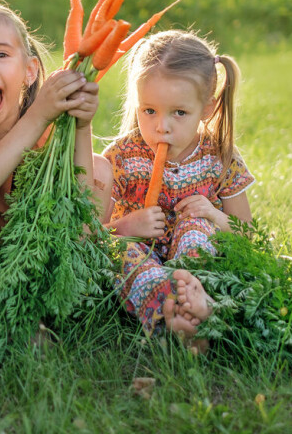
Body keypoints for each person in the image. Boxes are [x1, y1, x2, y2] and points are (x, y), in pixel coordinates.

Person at [0, 0, 113, 286]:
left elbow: (82, 213)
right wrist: (36, 117)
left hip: (33, 256)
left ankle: (64, 294)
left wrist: (82, 126)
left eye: (1, 55)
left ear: (30, 72)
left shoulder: (49, 127)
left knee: (101, 170)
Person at [102, 30, 254, 352]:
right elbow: (93, 235)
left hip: (195, 258)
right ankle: (176, 312)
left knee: (196, 224)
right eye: (149, 111)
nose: (162, 126)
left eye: (179, 113)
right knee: (121, 253)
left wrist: (212, 213)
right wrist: (127, 226)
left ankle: (193, 297)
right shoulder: (121, 157)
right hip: (143, 257)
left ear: (208, 108)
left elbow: (247, 234)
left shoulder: (221, 156)